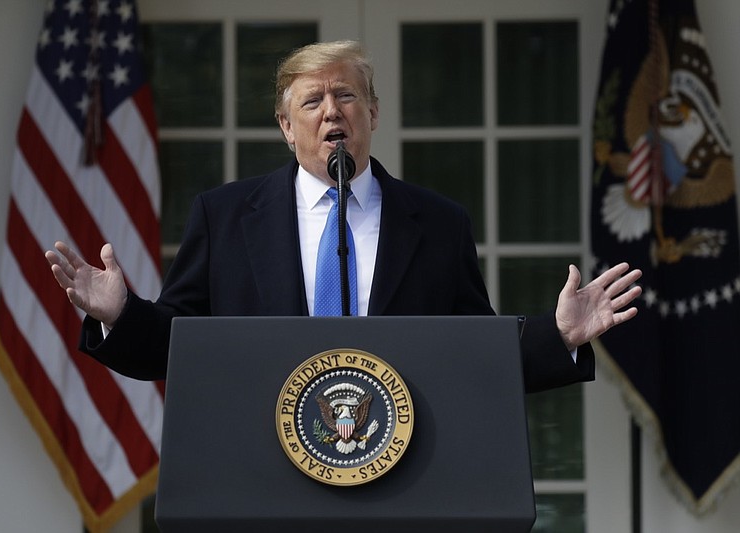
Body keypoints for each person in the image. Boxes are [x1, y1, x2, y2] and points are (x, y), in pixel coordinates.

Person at [45, 40, 642, 393]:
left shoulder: (436, 224)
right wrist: (120, 315)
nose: (332, 111)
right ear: (286, 127)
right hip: (265, 480)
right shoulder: (225, 218)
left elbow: (474, 352)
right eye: (312, 101)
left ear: (373, 113)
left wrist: (556, 335)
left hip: (399, 482)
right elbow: (177, 347)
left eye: (347, 96)